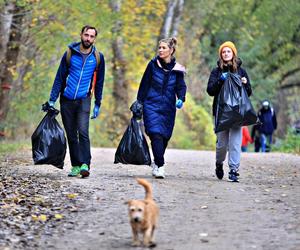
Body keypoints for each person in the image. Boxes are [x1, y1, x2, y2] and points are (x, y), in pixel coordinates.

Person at [44, 25, 105, 178]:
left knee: (83, 131)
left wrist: (98, 103)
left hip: (84, 99)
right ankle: (76, 165)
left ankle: (85, 164)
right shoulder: (70, 54)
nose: (88, 39)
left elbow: (100, 82)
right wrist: (52, 99)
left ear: (94, 39)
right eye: (86, 35)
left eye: (91, 36)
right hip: (67, 99)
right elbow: (59, 77)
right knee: (71, 134)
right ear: (81, 35)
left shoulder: (97, 57)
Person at [133, 37, 187, 179]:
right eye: (160, 48)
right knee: (155, 133)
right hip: (151, 105)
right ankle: (161, 165)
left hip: (168, 107)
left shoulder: (178, 69)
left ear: (171, 50)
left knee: (164, 137)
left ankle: (156, 162)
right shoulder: (152, 65)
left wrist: (181, 98)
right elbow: (144, 84)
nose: (161, 50)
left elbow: (181, 86)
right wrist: (139, 102)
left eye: (164, 48)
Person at [207, 41, 252, 182]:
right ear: (221, 55)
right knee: (222, 144)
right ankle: (219, 163)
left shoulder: (241, 71)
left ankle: (233, 170)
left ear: (233, 53)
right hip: (221, 112)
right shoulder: (216, 71)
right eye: (223, 52)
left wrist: (245, 84)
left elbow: (249, 92)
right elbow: (210, 91)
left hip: (237, 112)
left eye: (228, 51)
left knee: (235, 143)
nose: (226, 54)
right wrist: (220, 80)